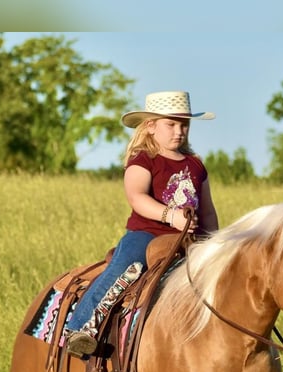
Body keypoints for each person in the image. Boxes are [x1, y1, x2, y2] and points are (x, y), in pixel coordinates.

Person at [65, 91, 220, 357]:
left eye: (184, 125)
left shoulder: (195, 165)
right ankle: (81, 329)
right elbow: (137, 197)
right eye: (171, 124)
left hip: (190, 240)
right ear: (150, 126)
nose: (179, 131)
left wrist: (216, 241)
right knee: (125, 268)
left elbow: (207, 209)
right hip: (147, 234)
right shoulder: (144, 160)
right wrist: (171, 215)